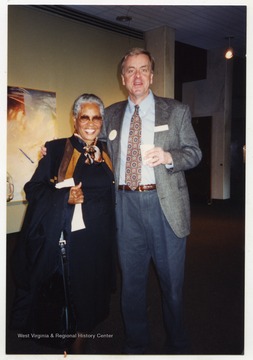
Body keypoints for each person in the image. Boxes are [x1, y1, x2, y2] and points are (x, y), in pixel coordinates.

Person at [100, 47, 202, 354]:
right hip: (125, 207)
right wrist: (56, 153)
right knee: (131, 285)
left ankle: (177, 343)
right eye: (131, 70)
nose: (137, 76)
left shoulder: (177, 111)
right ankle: (136, 345)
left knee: (171, 286)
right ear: (123, 78)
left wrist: (170, 156)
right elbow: (94, 148)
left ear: (152, 75)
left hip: (164, 205)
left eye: (143, 69)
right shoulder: (112, 114)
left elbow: (194, 153)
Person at [10, 93, 116, 354]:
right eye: (84, 117)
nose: (90, 123)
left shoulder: (108, 151)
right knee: (76, 292)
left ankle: (86, 330)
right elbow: (33, 189)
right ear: (75, 119)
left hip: (102, 236)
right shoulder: (58, 149)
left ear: (102, 121)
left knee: (96, 288)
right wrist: (63, 197)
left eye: (96, 118)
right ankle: (74, 342)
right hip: (73, 239)